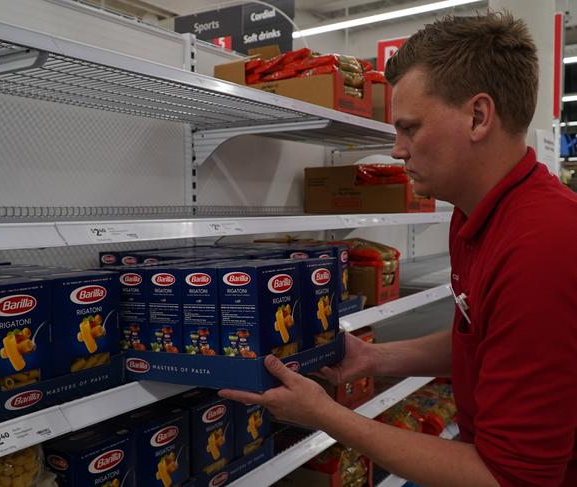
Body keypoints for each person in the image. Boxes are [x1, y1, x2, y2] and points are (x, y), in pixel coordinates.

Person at [220, 11, 577, 487]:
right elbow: (484, 344)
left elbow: (510, 478)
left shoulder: (542, 247)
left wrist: (326, 415)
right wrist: (376, 359)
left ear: (478, 116)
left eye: (410, 128)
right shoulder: (473, 214)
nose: (396, 150)